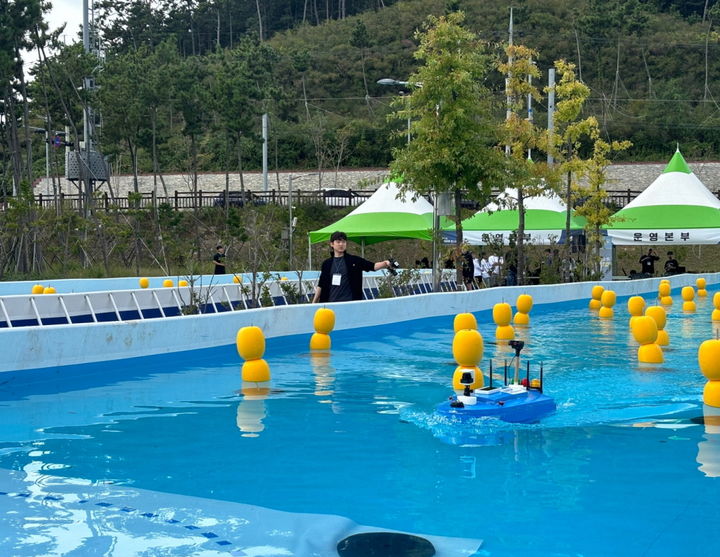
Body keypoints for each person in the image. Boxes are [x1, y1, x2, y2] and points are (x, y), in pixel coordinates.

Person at [312, 231, 392, 303]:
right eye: (338, 242)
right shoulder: (326, 264)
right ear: (332, 244)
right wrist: (314, 303)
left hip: (351, 303)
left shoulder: (354, 261)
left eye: (343, 242)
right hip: (330, 303)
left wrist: (385, 263)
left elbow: (372, 266)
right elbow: (321, 285)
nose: (341, 244)